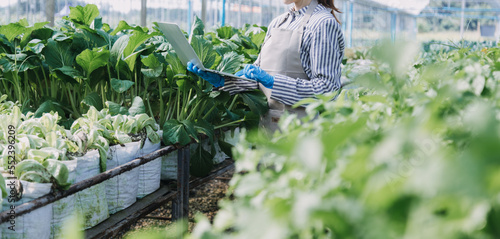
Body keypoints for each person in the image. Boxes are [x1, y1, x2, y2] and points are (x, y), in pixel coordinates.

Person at [188, 0, 345, 132]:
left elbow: (327, 89)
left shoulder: (323, 24)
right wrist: (222, 81)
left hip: (301, 133)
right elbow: (258, 79)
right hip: (269, 127)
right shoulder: (278, 22)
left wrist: (274, 82)